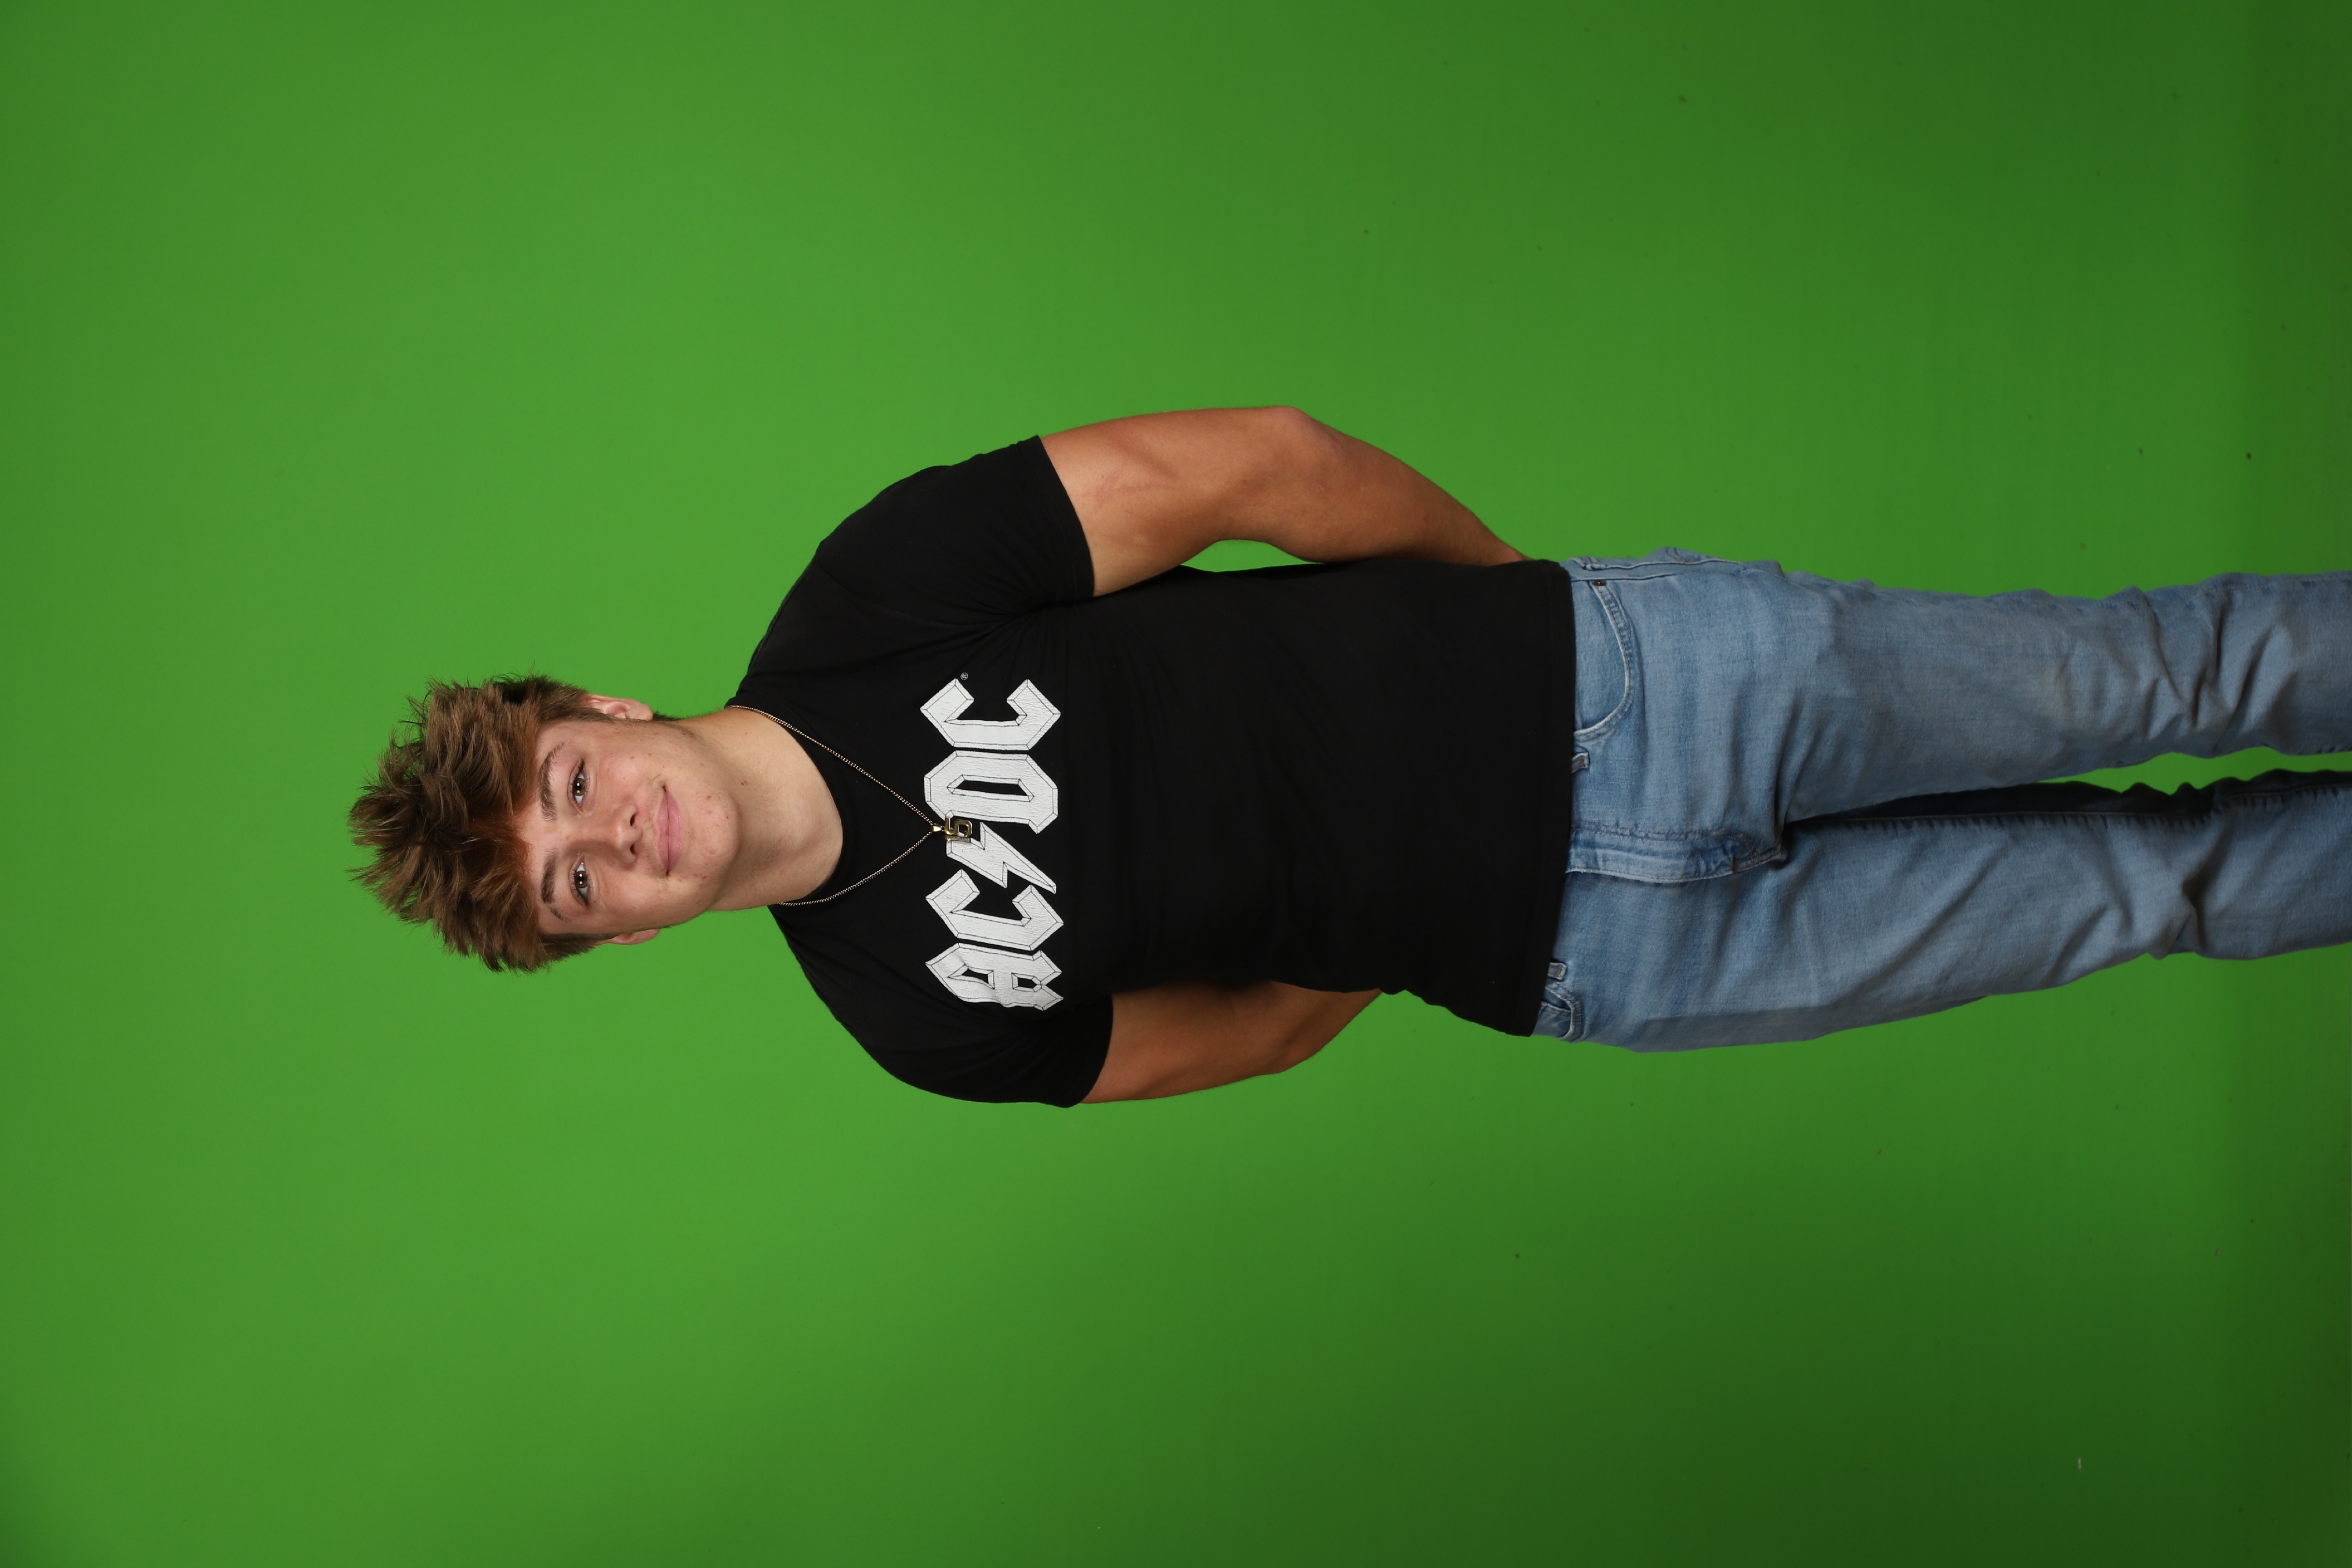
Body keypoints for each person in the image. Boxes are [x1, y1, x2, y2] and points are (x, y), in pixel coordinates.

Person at [348, 408, 2352, 1105]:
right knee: (2148, 891)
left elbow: (1264, 466)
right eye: (576, 885)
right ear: (619, 937)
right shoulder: (910, 1018)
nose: (614, 837)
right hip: (1611, 963)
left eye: (572, 785)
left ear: (605, 711)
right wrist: (1413, 900)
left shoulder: (877, 593)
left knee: (2159, 674)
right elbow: (1244, 1036)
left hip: (1647, 688)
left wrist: (1527, 636)